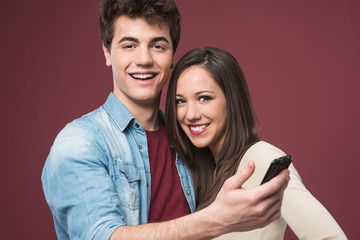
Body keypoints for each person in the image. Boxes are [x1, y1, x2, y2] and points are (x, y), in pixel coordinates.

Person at [41, 1, 290, 239]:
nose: (144, 59)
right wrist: (215, 219)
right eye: (129, 45)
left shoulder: (190, 141)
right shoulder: (79, 142)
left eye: (158, 46)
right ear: (107, 52)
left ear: (172, 55)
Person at [165, 46, 347, 239]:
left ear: (232, 100)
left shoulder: (261, 159)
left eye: (204, 98)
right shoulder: (196, 172)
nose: (190, 114)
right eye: (180, 101)